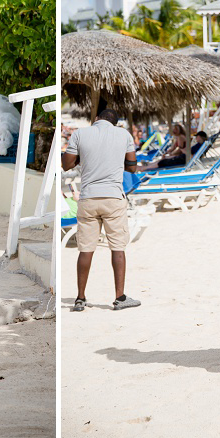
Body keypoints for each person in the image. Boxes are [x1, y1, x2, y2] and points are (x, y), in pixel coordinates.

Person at [62, 108, 141, 312]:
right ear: (115, 123)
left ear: (96, 119)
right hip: (113, 198)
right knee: (117, 248)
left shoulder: (80, 133)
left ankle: (80, 298)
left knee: (86, 250)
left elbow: (66, 164)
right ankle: (120, 298)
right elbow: (132, 167)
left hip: (88, 197)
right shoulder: (124, 135)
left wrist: (83, 158)